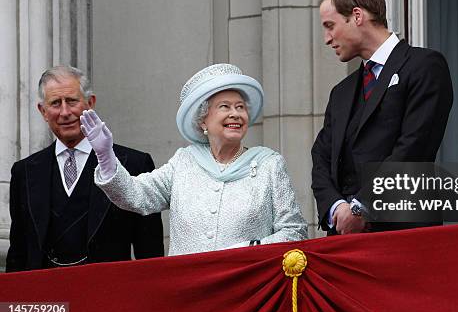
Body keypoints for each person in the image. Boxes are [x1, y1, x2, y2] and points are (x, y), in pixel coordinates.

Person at [80, 63, 307, 255]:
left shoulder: (269, 164)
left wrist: (251, 248)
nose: (235, 114)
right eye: (224, 107)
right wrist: (105, 156)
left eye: (240, 107)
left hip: (248, 289)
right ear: (203, 121)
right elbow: (136, 196)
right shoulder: (184, 162)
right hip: (189, 291)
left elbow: (294, 231)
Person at [312, 0, 453, 235]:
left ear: (357, 16)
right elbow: (321, 158)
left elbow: (414, 147)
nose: (327, 39)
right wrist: (337, 209)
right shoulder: (341, 92)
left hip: (404, 235)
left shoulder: (425, 66)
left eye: (330, 26)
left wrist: (361, 208)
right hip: (342, 240)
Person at [6, 66, 164, 272]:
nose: (65, 112)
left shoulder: (133, 164)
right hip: (46, 298)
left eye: (72, 101)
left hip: (108, 295)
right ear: (43, 111)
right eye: (55, 103)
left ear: (90, 103)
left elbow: (150, 252)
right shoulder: (24, 172)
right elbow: (18, 252)